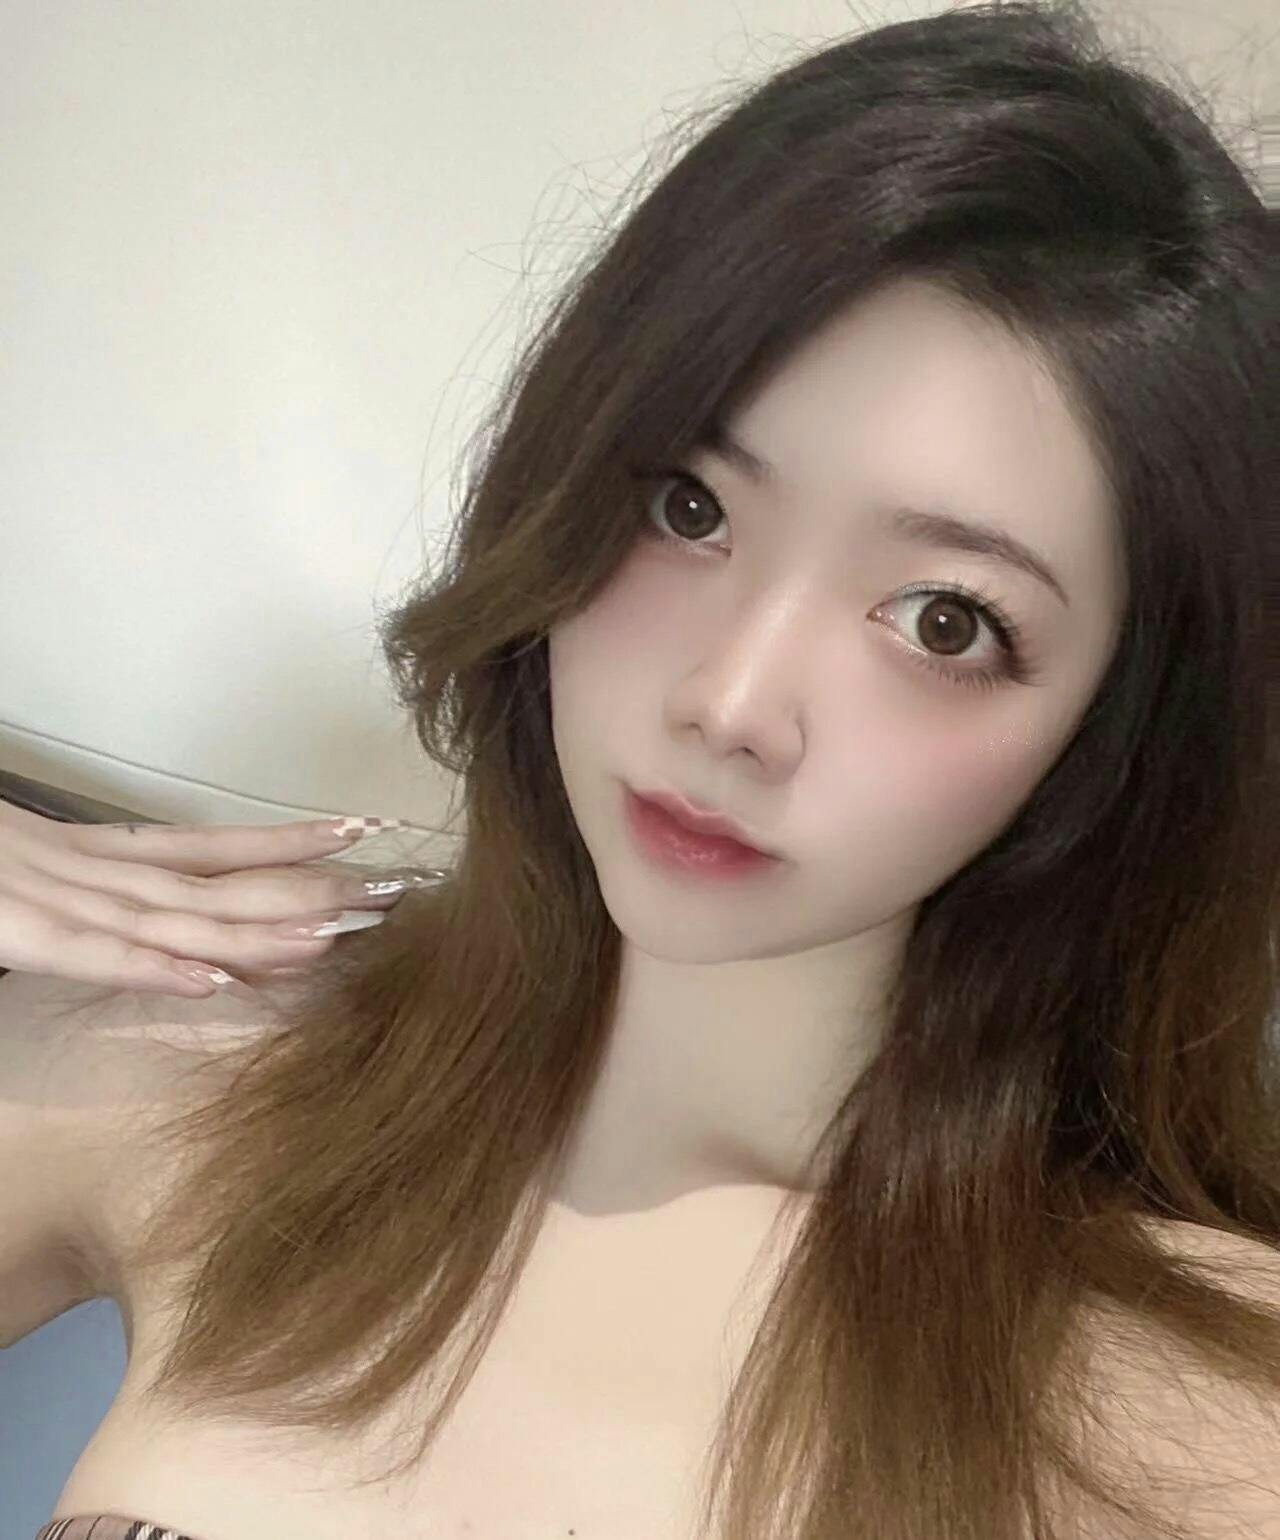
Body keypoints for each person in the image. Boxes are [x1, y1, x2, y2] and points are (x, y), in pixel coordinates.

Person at [7, 2, 1280, 1538]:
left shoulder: (1207, 1416)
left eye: (945, 621)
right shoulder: (194, 1074)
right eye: (689, 507)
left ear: (1120, 730)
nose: (732, 704)